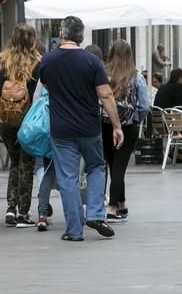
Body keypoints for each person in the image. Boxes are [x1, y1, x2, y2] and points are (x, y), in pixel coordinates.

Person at [39, 16, 124, 241]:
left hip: (61, 129)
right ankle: (95, 213)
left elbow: (47, 85)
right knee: (96, 166)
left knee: (68, 178)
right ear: (81, 35)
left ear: (62, 33)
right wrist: (116, 125)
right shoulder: (91, 61)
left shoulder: (48, 60)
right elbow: (105, 94)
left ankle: (74, 230)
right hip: (89, 127)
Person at [101, 40, 149, 223]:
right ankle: (113, 207)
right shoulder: (136, 77)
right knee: (119, 167)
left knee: (111, 165)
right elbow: (144, 105)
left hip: (105, 125)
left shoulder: (103, 74)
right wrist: (136, 118)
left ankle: (121, 204)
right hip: (128, 127)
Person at [0, 25, 41, 227]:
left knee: (15, 162)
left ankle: (10, 208)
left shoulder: (2, 61)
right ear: (32, 40)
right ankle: (23, 213)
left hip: (6, 120)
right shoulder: (38, 63)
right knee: (26, 164)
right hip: (29, 121)